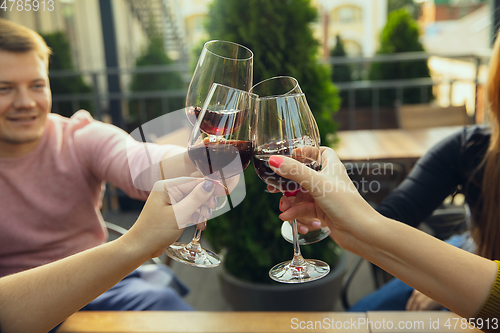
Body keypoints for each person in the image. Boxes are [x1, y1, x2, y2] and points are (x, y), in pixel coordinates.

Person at [0, 18, 199, 313]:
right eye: (5, 89)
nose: (26, 102)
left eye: (37, 85)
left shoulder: (77, 136)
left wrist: (193, 160)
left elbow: (137, 161)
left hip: (100, 285)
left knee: (165, 309)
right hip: (15, 304)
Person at [266, 151, 500, 331]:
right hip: (471, 248)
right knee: (355, 317)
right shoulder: (470, 145)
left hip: (480, 268)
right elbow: (398, 209)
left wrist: (447, 285)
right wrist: (351, 222)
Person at [0, 177, 217, 333]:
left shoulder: (77, 134)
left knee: (165, 304)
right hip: (24, 301)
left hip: (107, 282)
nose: (27, 108)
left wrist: (194, 168)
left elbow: (136, 163)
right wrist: (138, 243)